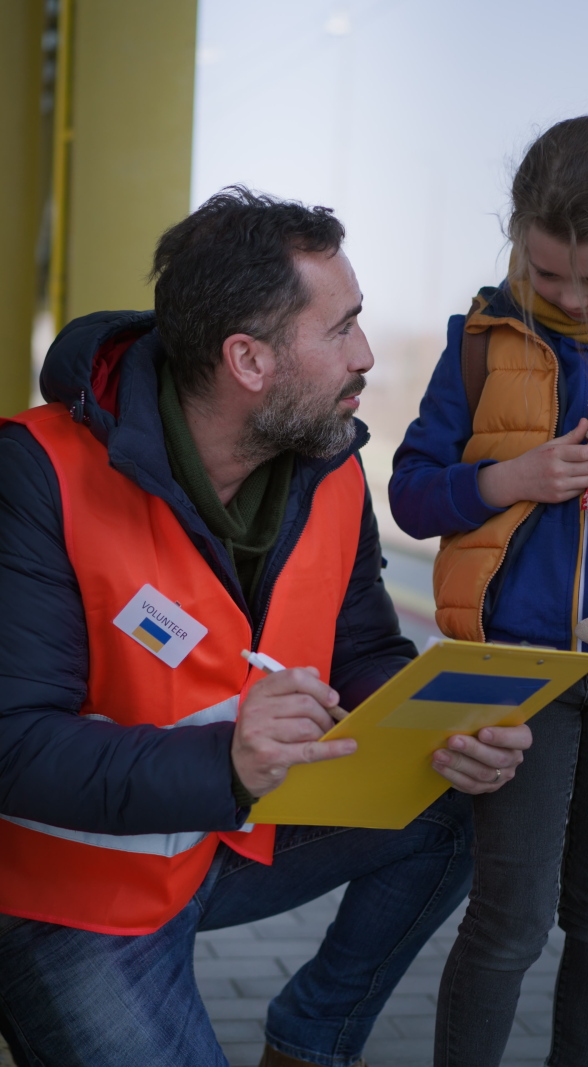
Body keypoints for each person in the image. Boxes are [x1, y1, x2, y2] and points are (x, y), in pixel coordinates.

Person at [0, 187, 529, 1067]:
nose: (365, 354)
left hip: (228, 832)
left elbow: (360, 648)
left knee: (459, 805)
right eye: (341, 328)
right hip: (72, 893)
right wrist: (226, 762)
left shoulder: (328, 463)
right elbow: (11, 745)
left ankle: (310, 1044)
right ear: (247, 360)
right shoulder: (35, 472)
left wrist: (436, 726)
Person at [389, 115, 588, 1067]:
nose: (566, 298)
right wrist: (510, 479)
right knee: (510, 925)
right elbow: (410, 490)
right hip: (516, 673)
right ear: (515, 234)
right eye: (545, 271)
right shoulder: (477, 340)